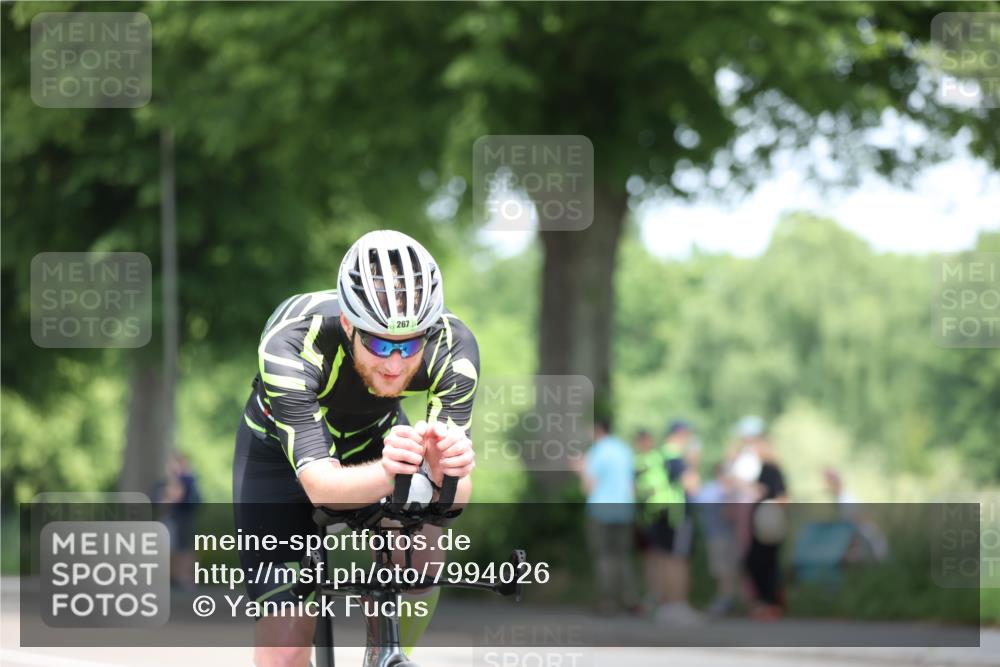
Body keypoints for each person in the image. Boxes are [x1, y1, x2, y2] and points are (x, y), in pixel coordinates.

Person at [233, 230, 479, 667]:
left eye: (409, 344)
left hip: (375, 440)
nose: (395, 363)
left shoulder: (452, 347)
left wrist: (445, 476)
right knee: (285, 650)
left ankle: (387, 656)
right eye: (380, 343)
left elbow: (454, 500)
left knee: (422, 552)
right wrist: (396, 475)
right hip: (279, 461)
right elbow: (321, 487)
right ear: (348, 324)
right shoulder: (291, 344)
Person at [636, 419, 702, 626]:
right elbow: (692, 486)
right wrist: (693, 463)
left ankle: (664, 605)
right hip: (676, 515)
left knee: (663, 558)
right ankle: (678, 605)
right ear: (682, 434)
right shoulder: (676, 456)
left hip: (657, 514)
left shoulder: (656, 456)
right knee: (678, 560)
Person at [574, 416, 640, 615]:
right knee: (622, 556)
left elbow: (588, 487)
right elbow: (632, 484)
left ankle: (607, 601)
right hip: (624, 509)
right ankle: (630, 599)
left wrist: (580, 469)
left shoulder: (597, 451)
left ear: (598, 430)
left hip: (601, 510)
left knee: (604, 557)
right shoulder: (625, 450)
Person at [731, 416, 788, 621]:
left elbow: (782, 495)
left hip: (768, 524)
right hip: (758, 525)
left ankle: (771, 603)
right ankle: (764, 601)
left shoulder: (773, 469)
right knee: (755, 563)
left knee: (767, 564)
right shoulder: (762, 469)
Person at [154, 453, 201, 590]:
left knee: (185, 548)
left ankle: (185, 577)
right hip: (170, 518)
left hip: (185, 518)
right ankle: (170, 576)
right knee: (168, 548)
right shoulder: (165, 482)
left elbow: (190, 499)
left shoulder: (189, 481)